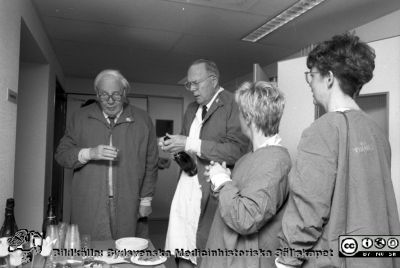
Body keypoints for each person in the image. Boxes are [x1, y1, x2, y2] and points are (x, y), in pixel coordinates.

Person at [276, 33, 400, 268]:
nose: (310, 83)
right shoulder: (376, 132)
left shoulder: (322, 131)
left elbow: (307, 211)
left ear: (329, 78)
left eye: (311, 75)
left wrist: (287, 260)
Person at [160, 59, 249, 267]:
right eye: (188, 84)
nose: (192, 89)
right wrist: (175, 146)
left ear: (213, 80)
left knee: (206, 252)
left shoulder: (233, 104)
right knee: (182, 251)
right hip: (186, 186)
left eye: (196, 83)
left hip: (212, 191)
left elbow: (237, 151)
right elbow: (187, 146)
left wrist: (190, 142)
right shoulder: (192, 108)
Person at [55, 69, 158, 240]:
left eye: (116, 95)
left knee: (127, 252)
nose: (110, 101)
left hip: (129, 201)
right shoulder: (80, 117)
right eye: (104, 95)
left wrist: (146, 199)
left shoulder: (142, 120)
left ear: (124, 93)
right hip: (90, 201)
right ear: (96, 94)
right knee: (90, 253)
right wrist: (89, 153)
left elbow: (151, 163)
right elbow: (61, 155)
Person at [201, 81, 291, 268]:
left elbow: (245, 218)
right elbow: (235, 200)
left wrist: (223, 181)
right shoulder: (249, 157)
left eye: (239, 113)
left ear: (248, 117)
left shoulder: (275, 160)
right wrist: (222, 183)